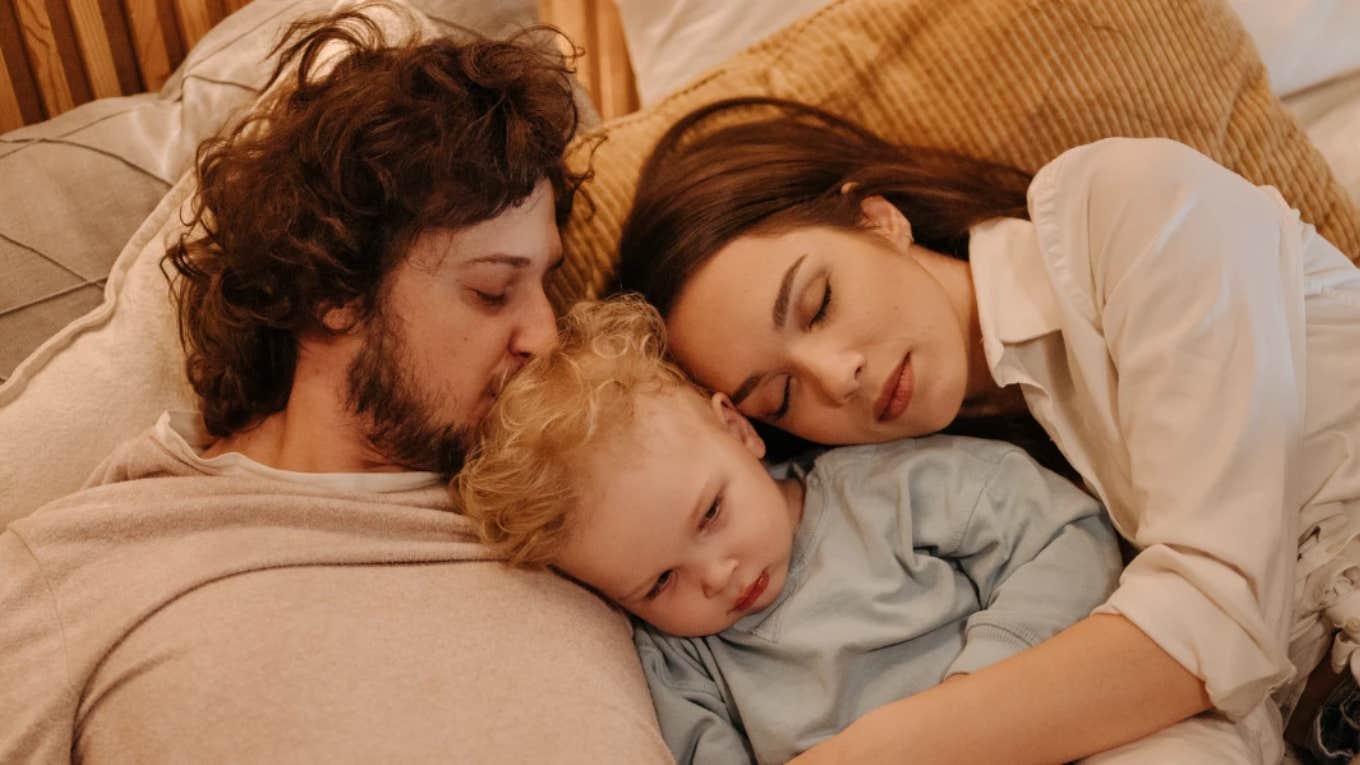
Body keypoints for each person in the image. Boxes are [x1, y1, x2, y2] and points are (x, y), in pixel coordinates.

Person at [0, 8, 670, 762]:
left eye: (545, 284)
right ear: (334, 289)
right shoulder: (87, 565)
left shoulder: (583, 501)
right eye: (491, 292)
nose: (545, 336)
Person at [614, 96, 1360, 763]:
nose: (836, 376)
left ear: (878, 218)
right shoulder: (938, 485)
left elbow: (1216, 615)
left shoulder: (1125, 208)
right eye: (780, 395)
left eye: (818, 303)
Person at [455, 295, 1122, 764]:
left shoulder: (895, 488)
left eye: (711, 513)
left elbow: (1071, 538)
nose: (716, 575)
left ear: (737, 429)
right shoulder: (684, 662)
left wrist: (981, 687)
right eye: (660, 582)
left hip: (1057, 726)